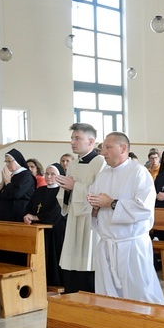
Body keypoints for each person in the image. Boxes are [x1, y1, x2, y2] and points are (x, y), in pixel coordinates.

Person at [87, 132, 164, 304]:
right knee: (108, 297)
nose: (103, 153)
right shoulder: (103, 174)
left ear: (123, 148)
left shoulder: (139, 172)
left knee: (141, 295)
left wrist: (112, 203)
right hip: (107, 245)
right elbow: (95, 205)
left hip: (132, 246)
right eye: (102, 148)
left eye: (108, 148)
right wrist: (94, 208)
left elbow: (144, 208)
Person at [55, 123, 106, 294]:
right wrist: (68, 189)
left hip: (89, 221)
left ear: (91, 141)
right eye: (72, 138)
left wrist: (75, 186)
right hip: (73, 219)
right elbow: (65, 196)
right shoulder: (73, 164)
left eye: (77, 138)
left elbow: (100, 193)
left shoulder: (100, 163)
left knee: (89, 261)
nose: (72, 142)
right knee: (72, 262)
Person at [23, 164, 66, 288]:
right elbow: (30, 206)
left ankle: (55, 283)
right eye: (47, 174)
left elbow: (57, 212)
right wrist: (27, 215)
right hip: (39, 230)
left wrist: (36, 217)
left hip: (55, 231)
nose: (48, 176)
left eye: (52, 174)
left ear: (60, 176)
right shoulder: (40, 190)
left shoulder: (62, 191)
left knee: (53, 257)